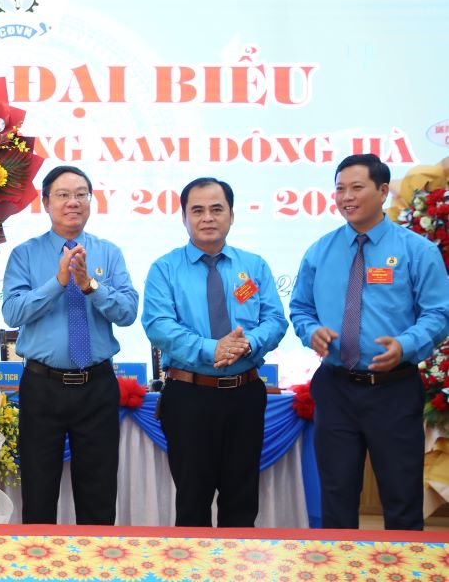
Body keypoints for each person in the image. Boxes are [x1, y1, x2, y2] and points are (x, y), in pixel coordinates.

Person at [290, 153, 449, 530]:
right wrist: (311, 330)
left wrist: (406, 345)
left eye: (356, 187)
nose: (346, 196)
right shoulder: (320, 251)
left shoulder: (417, 251)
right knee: (337, 495)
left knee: (401, 497)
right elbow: (300, 308)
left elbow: (438, 314)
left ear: (381, 191)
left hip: (393, 390)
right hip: (336, 388)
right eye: (340, 188)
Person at [142, 177, 287, 527]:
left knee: (242, 500)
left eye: (216, 209)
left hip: (245, 395)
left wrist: (247, 343)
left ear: (232, 215)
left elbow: (275, 320)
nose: (208, 217)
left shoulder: (253, 266)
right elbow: (159, 325)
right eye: (198, 210)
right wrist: (213, 349)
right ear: (184, 218)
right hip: (189, 396)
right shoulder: (165, 269)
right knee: (192, 501)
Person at [1, 165, 139, 524]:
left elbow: (126, 313)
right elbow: (13, 312)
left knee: (98, 496)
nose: (72, 202)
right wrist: (59, 281)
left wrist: (90, 285)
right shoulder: (25, 255)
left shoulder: (108, 254)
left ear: (91, 201)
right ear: (46, 203)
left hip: (96, 387)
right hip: (42, 387)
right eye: (62, 195)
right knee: (39, 493)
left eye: (81, 194)